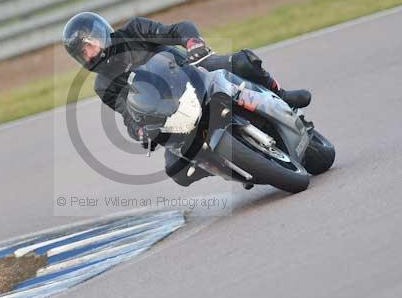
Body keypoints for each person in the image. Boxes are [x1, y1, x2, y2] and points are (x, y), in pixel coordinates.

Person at [62, 12, 311, 186]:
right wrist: (139, 131)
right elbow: (127, 113)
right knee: (176, 169)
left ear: (101, 33)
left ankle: (281, 95)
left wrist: (192, 43)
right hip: (169, 111)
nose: (89, 54)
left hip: (192, 70)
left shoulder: (135, 30)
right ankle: (232, 165)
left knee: (243, 61)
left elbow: (176, 30)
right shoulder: (103, 84)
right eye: (82, 53)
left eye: (90, 45)